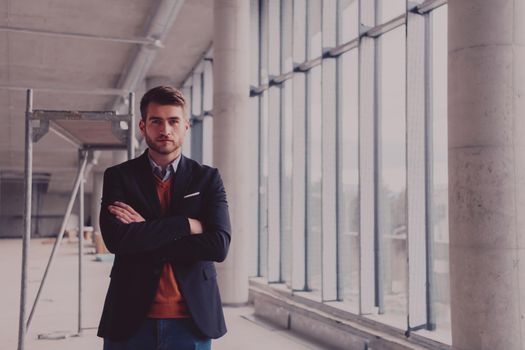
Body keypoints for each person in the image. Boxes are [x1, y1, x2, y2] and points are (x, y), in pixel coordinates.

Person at [97, 85, 231, 350]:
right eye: (156, 121)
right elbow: (116, 240)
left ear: (186, 127)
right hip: (129, 316)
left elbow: (218, 245)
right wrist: (185, 224)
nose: (165, 129)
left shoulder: (207, 178)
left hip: (191, 319)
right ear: (143, 125)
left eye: (173, 121)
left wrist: (145, 232)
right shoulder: (119, 176)